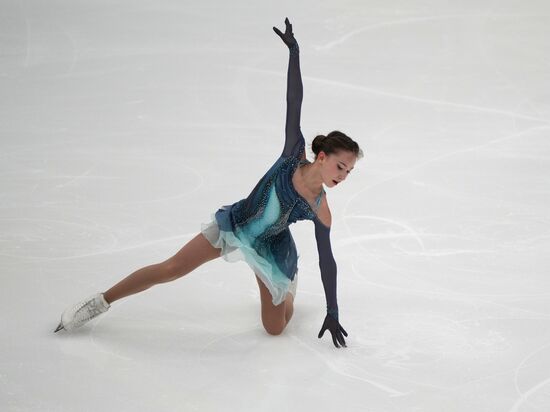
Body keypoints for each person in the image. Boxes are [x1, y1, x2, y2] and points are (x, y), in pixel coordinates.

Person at [54, 17, 363, 348]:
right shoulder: (292, 154)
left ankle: (285, 284)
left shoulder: (320, 207)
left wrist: (333, 310)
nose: (343, 176)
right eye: (341, 166)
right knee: (172, 268)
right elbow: (294, 101)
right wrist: (294, 52)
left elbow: (327, 260)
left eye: (349, 172)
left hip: (272, 249)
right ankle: (101, 301)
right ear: (322, 156)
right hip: (237, 221)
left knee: (275, 328)